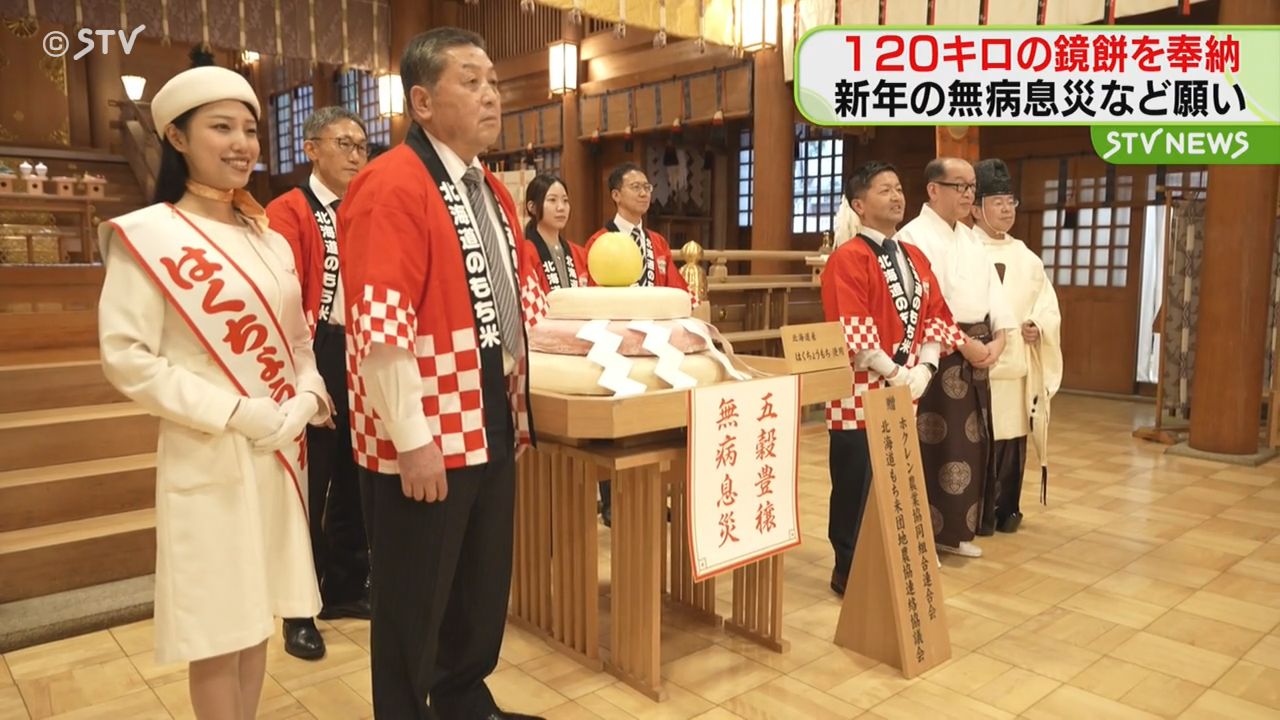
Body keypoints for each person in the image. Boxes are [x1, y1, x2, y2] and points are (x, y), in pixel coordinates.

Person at [97, 65, 331, 719]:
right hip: (208, 453)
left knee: (257, 621)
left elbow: (299, 342)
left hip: (277, 452)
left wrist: (307, 398)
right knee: (218, 633)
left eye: (250, 130)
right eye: (221, 128)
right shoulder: (148, 236)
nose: (241, 144)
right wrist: (234, 410)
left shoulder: (270, 239)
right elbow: (127, 358)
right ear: (176, 137)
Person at [339, 27, 546, 720]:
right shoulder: (391, 183)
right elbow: (379, 323)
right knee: (413, 596)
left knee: (479, 584)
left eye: (494, 82)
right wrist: (411, 437)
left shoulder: (493, 189)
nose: (491, 95)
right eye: (471, 81)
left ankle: (463, 701)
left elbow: (519, 299)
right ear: (422, 102)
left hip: (490, 406)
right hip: (426, 420)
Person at [821, 161, 963, 596]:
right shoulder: (848, 257)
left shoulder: (915, 257)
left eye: (899, 188)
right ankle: (847, 567)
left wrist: (926, 368)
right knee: (855, 479)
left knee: (896, 478)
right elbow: (851, 328)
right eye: (884, 190)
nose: (897, 196)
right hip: (858, 390)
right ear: (859, 205)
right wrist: (898, 372)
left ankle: (888, 564)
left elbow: (937, 316)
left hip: (907, 387)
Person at [265, 106, 371, 660]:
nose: (355, 155)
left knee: (357, 471)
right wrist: (303, 373)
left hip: (365, 348)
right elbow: (281, 295)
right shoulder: (289, 210)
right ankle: (298, 609)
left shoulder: (369, 207)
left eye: (362, 146)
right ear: (311, 148)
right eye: (343, 143)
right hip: (314, 347)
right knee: (312, 480)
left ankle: (346, 587)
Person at [897, 157, 1017, 558]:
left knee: (973, 444)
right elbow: (927, 302)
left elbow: (995, 294)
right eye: (960, 186)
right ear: (934, 189)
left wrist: (1000, 338)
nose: (968, 195)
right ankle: (928, 535)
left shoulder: (970, 238)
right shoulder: (913, 236)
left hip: (978, 349)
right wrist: (964, 343)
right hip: (938, 351)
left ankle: (959, 530)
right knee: (938, 445)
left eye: (971, 188)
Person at [585, 162, 691, 524]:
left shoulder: (656, 242)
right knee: (614, 423)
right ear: (616, 195)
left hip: (654, 347)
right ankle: (611, 502)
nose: (645, 192)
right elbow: (594, 294)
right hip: (615, 347)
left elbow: (675, 288)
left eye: (647, 186)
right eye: (636, 187)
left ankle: (652, 495)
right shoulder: (600, 242)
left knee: (651, 424)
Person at [970, 159, 1062, 533]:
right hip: (976, 364)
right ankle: (975, 516)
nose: (1007, 209)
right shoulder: (963, 249)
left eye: (1011, 201)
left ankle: (1006, 510)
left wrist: (1037, 325)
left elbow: (1046, 303)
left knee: (1012, 440)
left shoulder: (1026, 257)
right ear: (976, 208)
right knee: (977, 442)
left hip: (1016, 366)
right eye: (998, 202)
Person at [523, 173, 588, 291]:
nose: (561, 207)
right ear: (532, 207)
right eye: (552, 200)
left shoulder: (580, 254)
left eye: (565, 200)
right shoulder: (525, 253)